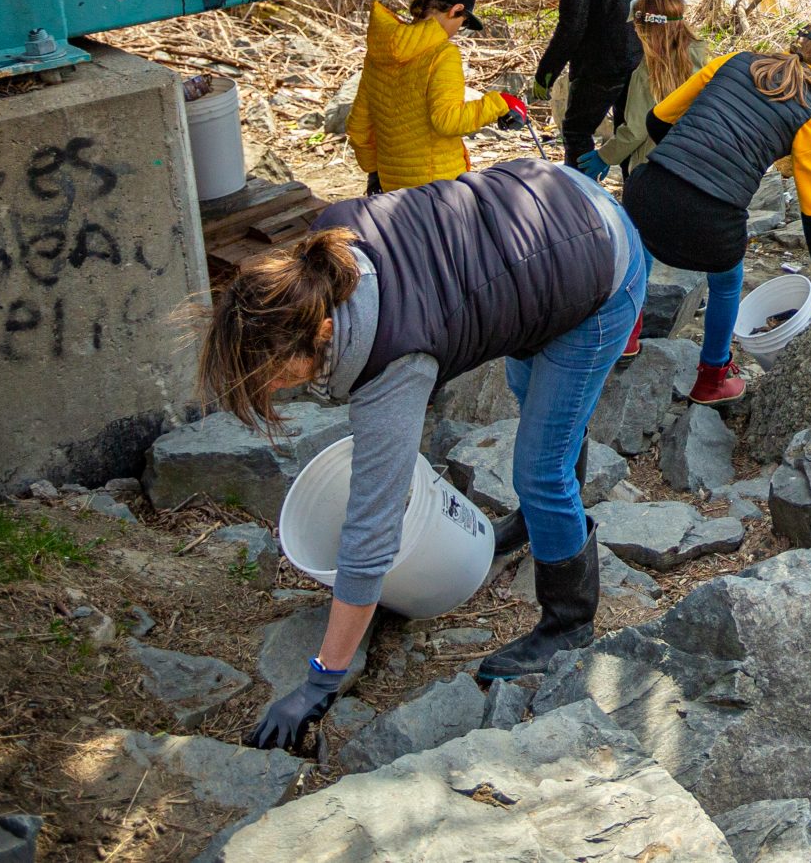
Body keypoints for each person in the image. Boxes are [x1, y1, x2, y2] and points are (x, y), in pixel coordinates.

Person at [200, 158, 646, 751]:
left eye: (278, 377)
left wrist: (320, 682)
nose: (279, 390)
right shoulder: (327, 251)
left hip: (601, 269)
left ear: (320, 336)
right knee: (534, 399)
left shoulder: (395, 363)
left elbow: (370, 534)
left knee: (539, 467)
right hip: (548, 213)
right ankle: (548, 513)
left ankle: (569, 620)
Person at [623, 22, 811, 407]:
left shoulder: (735, 61)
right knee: (728, 281)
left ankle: (623, 335)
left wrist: (683, 165)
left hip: (648, 189)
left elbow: (657, 119)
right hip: (712, 222)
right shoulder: (810, 125)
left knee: (638, 241)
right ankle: (712, 378)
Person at [346, 0, 527, 193]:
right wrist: (500, 104)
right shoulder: (443, 54)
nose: (458, 29)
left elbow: (358, 127)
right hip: (439, 189)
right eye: (462, 21)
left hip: (392, 188)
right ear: (456, 10)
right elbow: (447, 120)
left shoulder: (378, 54)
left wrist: (375, 172)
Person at [532, 0, 669, 178]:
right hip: (645, 54)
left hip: (600, 64)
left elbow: (572, 25)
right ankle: (634, 205)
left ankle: (585, 204)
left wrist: (546, 72)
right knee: (631, 131)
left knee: (577, 131)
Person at [595, 0, 698, 177]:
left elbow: (636, 129)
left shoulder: (648, 72)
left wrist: (605, 156)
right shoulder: (701, 56)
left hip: (655, 167)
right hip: (694, 162)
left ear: (645, 30)